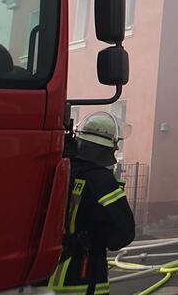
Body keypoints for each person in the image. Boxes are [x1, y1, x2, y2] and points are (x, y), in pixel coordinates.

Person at [48, 111, 136, 295]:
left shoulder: (59, 168)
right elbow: (122, 234)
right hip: (81, 276)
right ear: (109, 147)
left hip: (45, 272)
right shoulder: (102, 181)